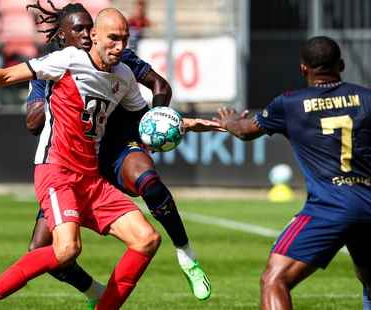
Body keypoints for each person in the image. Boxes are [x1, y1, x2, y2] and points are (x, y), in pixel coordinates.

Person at [0, 8, 168, 310]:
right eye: (113, 39)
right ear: (95, 36)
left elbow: (146, 122)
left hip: (91, 180)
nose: (119, 47)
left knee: (146, 239)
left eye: (124, 39)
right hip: (57, 171)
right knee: (66, 250)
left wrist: (185, 125)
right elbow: (4, 75)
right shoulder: (67, 61)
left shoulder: (124, 76)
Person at [24, 0, 212, 305]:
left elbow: (159, 84)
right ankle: (94, 292)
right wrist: (51, 88)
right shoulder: (52, 68)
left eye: (90, 28)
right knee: (42, 250)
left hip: (117, 143)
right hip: (74, 158)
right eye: (79, 29)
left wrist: (157, 120)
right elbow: (33, 124)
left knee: (149, 180)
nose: (87, 35)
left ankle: (186, 254)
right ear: (63, 37)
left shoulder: (117, 55)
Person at [214, 36, 371, 310]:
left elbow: (245, 132)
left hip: (330, 206)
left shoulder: (289, 104)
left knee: (274, 279)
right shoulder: (368, 98)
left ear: (303, 69)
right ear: (342, 65)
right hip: (368, 203)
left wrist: (230, 122)